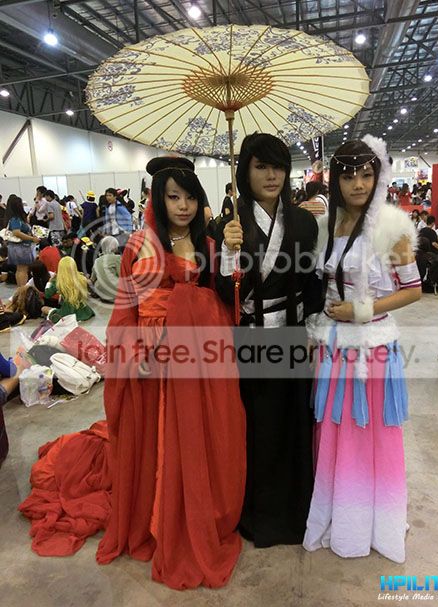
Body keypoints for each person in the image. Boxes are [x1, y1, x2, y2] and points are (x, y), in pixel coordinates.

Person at [96, 156, 246, 590]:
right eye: (174, 197)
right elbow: (127, 307)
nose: (183, 206)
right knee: (157, 439)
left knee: (193, 437)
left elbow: (223, 297)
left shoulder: (209, 243)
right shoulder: (139, 243)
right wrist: (132, 352)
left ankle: (189, 509)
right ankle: (156, 515)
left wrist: (231, 256)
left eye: (190, 197)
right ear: (158, 200)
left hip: (195, 355)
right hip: (153, 356)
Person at [303, 136, 421, 563]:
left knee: (368, 431)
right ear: (335, 180)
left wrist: (362, 309)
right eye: (349, 175)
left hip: (372, 347)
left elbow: (413, 289)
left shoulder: (392, 226)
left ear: (378, 176)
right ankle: (339, 513)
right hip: (334, 344)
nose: (358, 184)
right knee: (335, 430)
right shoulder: (326, 226)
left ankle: (373, 521)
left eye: (366, 174)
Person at [217, 133, 319, 548]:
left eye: (278, 166)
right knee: (258, 426)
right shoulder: (230, 224)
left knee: (294, 421)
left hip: (294, 333)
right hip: (251, 336)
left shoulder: (304, 222)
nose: (271, 175)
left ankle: (297, 510)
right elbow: (221, 293)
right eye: (261, 166)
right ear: (245, 171)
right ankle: (257, 512)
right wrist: (228, 252)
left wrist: (312, 329)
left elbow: (312, 282)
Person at [42, 256, 95, 322]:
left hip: (67, 313)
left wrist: (49, 282)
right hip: (83, 312)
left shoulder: (58, 282)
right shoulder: (82, 278)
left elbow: (47, 295)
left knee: (43, 308)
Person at [5, 195, 39, 286]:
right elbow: (16, 232)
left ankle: (22, 289)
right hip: (20, 247)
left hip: (18, 247)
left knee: (21, 269)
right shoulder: (16, 219)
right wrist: (32, 238)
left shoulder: (15, 218)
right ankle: (22, 289)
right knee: (22, 269)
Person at [90, 236, 121, 303]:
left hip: (102, 294)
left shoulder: (97, 260)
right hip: (116, 294)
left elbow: (92, 279)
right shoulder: (117, 258)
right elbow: (122, 275)